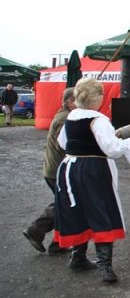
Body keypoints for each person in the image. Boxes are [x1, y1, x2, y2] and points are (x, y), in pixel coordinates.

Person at [55, 78, 130, 283]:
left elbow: (63, 142)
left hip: (70, 167)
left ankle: (78, 257)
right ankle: (105, 267)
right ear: (97, 98)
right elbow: (111, 148)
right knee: (102, 210)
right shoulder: (99, 119)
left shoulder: (72, 116)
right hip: (93, 170)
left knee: (77, 210)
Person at [23, 87, 76, 255]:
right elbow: (64, 144)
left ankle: (56, 243)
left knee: (66, 204)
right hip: (57, 170)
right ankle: (36, 230)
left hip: (55, 169)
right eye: (77, 100)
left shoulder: (64, 115)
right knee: (65, 204)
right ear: (69, 102)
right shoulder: (65, 118)